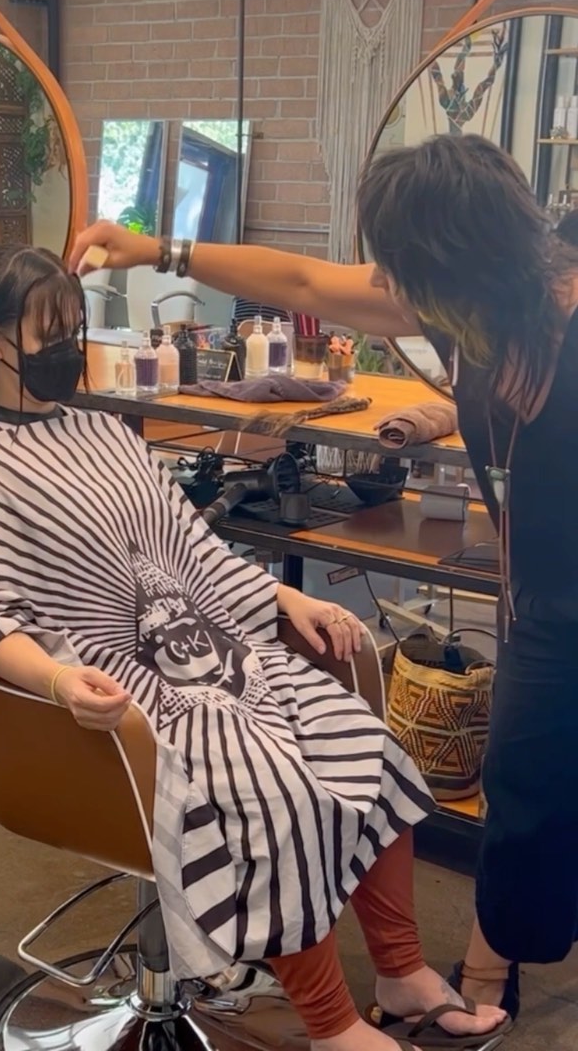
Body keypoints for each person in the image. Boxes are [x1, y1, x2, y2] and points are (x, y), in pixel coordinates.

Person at [0, 245, 505, 1051]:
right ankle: (332, 1026)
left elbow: (192, 549)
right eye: (50, 334)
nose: (68, 349)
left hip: (211, 656)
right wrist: (58, 680)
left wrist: (285, 598)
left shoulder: (104, 432)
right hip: (110, 695)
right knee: (275, 788)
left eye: (75, 328)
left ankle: (401, 972)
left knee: (369, 744)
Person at [71, 133, 578, 1027]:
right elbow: (303, 281)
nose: (389, 287)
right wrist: (154, 248)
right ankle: (491, 965)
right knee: (524, 781)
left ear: (461, 258)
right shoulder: (459, 304)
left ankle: (491, 965)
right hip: (540, 598)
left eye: (402, 269)